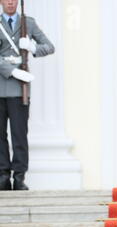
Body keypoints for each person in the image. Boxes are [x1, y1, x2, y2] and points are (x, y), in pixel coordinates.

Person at [0, 0, 55, 191]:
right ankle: (3, 175)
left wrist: (32, 48)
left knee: (19, 134)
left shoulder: (28, 23)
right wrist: (12, 70)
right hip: (2, 85)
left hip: (19, 89)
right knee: (0, 134)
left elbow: (49, 46)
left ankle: (19, 176)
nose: (10, 2)